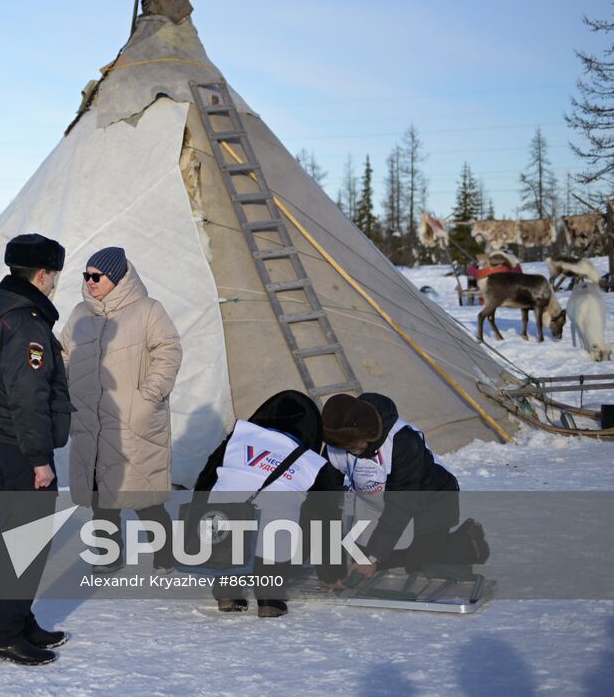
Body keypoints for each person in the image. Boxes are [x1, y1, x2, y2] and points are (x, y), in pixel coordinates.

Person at [0, 233, 72, 666]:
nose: (54, 284)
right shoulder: (26, 322)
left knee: (15, 536)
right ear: (43, 274)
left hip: (4, 441)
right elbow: (27, 397)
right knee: (25, 541)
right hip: (22, 445)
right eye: (54, 276)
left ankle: (20, 617)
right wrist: (39, 460)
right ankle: (5, 634)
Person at [62, 246, 182, 573]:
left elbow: (168, 351)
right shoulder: (79, 314)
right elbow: (64, 356)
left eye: (96, 276)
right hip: (90, 417)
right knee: (101, 490)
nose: (89, 282)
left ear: (116, 278)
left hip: (133, 418)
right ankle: (109, 554)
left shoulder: (147, 310)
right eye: (85, 276)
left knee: (144, 493)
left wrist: (149, 396)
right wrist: (68, 393)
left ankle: (166, 554)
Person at [191, 391, 345, 617]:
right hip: (275, 540)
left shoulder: (238, 437)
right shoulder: (313, 463)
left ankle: (227, 591)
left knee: (231, 523)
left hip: (224, 529)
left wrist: (197, 520)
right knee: (285, 520)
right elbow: (326, 519)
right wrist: (330, 572)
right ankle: (270, 598)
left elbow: (205, 480)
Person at [321, 392, 488, 580]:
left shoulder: (402, 440)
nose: (357, 446)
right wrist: (329, 569)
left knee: (420, 563)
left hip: (430, 497)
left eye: (358, 441)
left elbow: (400, 504)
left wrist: (374, 557)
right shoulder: (334, 448)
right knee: (358, 559)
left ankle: (467, 541)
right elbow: (323, 502)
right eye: (349, 446)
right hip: (377, 503)